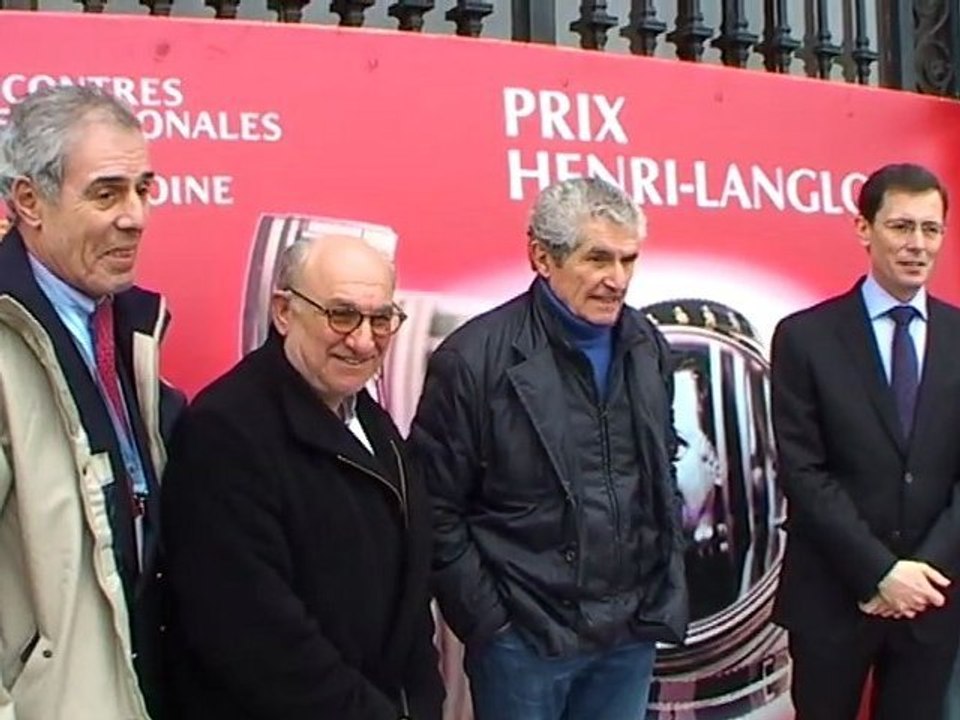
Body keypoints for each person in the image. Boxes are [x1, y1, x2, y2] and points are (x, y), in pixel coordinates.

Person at [408, 177, 688, 720]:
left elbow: (660, 470)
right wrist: (493, 624)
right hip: (525, 643)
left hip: (629, 635)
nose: (618, 279)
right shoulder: (474, 360)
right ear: (541, 256)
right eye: (598, 258)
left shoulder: (646, 344)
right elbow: (435, 507)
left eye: (629, 259)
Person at [161, 234, 444, 720]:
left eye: (381, 320)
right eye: (341, 315)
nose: (362, 340)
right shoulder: (226, 431)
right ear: (284, 311)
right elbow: (254, 633)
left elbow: (411, 596)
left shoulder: (371, 423)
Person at [0, 85, 180, 719]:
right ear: (30, 202)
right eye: (106, 192)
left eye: (143, 188)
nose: (135, 215)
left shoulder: (131, 326)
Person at [771, 163, 960, 720]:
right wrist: (879, 572)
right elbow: (803, 472)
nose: (917, 245)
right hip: (833, 597)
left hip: (933, 599)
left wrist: (919, 573)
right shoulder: (805, 337)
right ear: (864, 229)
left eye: (932, 229)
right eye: (901, 227)